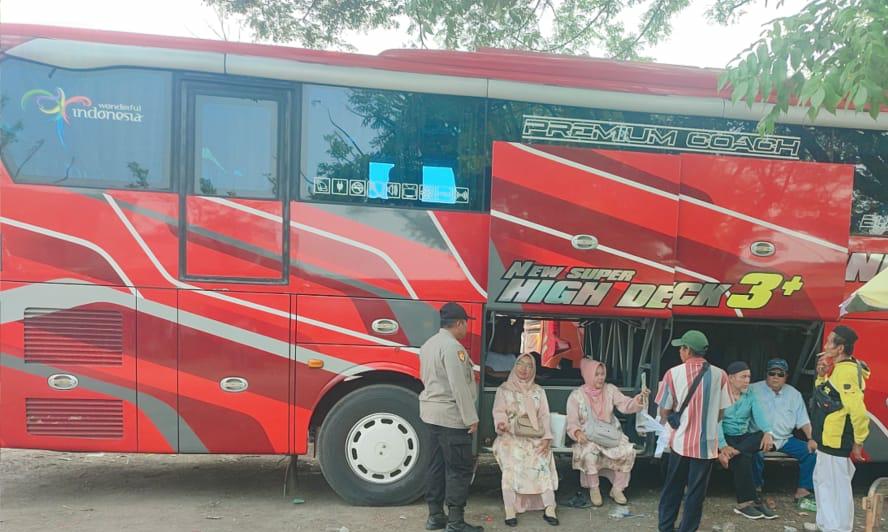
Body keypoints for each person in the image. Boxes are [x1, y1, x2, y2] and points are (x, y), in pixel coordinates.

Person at [656, 330, 732, 532]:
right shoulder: (721, 375)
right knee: (695, 495)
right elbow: (721, 413)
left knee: (672, 489)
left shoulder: (673, 374)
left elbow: (664, 411)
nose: (680, 352)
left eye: (681, 348)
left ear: (687, 350)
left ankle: (665, 528)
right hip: (706, 446)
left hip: (680, 443)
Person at [419, 302, 483, 532]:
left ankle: (435, 516)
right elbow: (459, 386)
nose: (466, 328)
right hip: (451, 418)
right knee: (458, 469)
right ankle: (456, 522)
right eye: (465, 324)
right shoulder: (453, 348)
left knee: (435, 467)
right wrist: (470, 417)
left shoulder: (428, 345)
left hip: (431, 416)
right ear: (459, 323)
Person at [811, 325, 871, 532]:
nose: (825, 346)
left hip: (836, 441)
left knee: (835, 488)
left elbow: (858, 411)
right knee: (822, 483)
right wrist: (821, 375)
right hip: (826, 440)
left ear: (840, 348)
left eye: (830, 342)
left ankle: (837, 528)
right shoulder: (837, 369)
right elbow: (826, 398)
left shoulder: (846, 372)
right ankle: (824, 524)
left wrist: (859, 441)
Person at [566, 359, 648, 507]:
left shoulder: (610, 390)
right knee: (590, 454)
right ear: (588, 375)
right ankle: (594, 488)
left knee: (627, 451)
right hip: (589, 436)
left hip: (609, 434)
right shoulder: (576, 396)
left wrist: (637, 400)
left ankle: (617, 489)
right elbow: (572, 422)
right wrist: (577, 433)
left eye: (602, 374)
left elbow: (625, 404)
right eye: (596, 374)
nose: (600, 378)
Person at [492, 353, 559, 527]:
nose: (524, 369)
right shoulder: (504, 389)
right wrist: (501, 424)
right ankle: (510, 508)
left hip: (534, 436)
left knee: (541, 457)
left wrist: (547, 438)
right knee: (512, 457)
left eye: (529, 366)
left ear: (533, 370)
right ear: (515, 366)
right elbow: (499, 411)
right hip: (510, 435)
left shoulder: (538, 391)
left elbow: (544, 416)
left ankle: (549, 506)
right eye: (520, 364)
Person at [750, 358, 817, 509]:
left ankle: (803, 492)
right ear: (766, 374)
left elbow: (803, 420)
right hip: (759, 437)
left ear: (786, 376)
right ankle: (755, 490)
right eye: (772, 373)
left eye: (780, 374)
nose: (775, 377)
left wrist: (811, 438)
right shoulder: (753, 389)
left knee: (811, 451)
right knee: (754, 454)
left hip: (784, 439)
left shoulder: (794, 394)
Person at [716, 361, 778, 520]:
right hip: (725, 437)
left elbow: (759, 414)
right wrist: (723, 446)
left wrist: (768, 432)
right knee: (744, 457)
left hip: (742, 439)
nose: (747, 381)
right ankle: (747, 503)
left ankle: (734, 453)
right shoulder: (720, 395)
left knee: (762, 437)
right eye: (743, 377)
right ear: (731, 378)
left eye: (749, 377)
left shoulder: (750, 394)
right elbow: (717, 423)